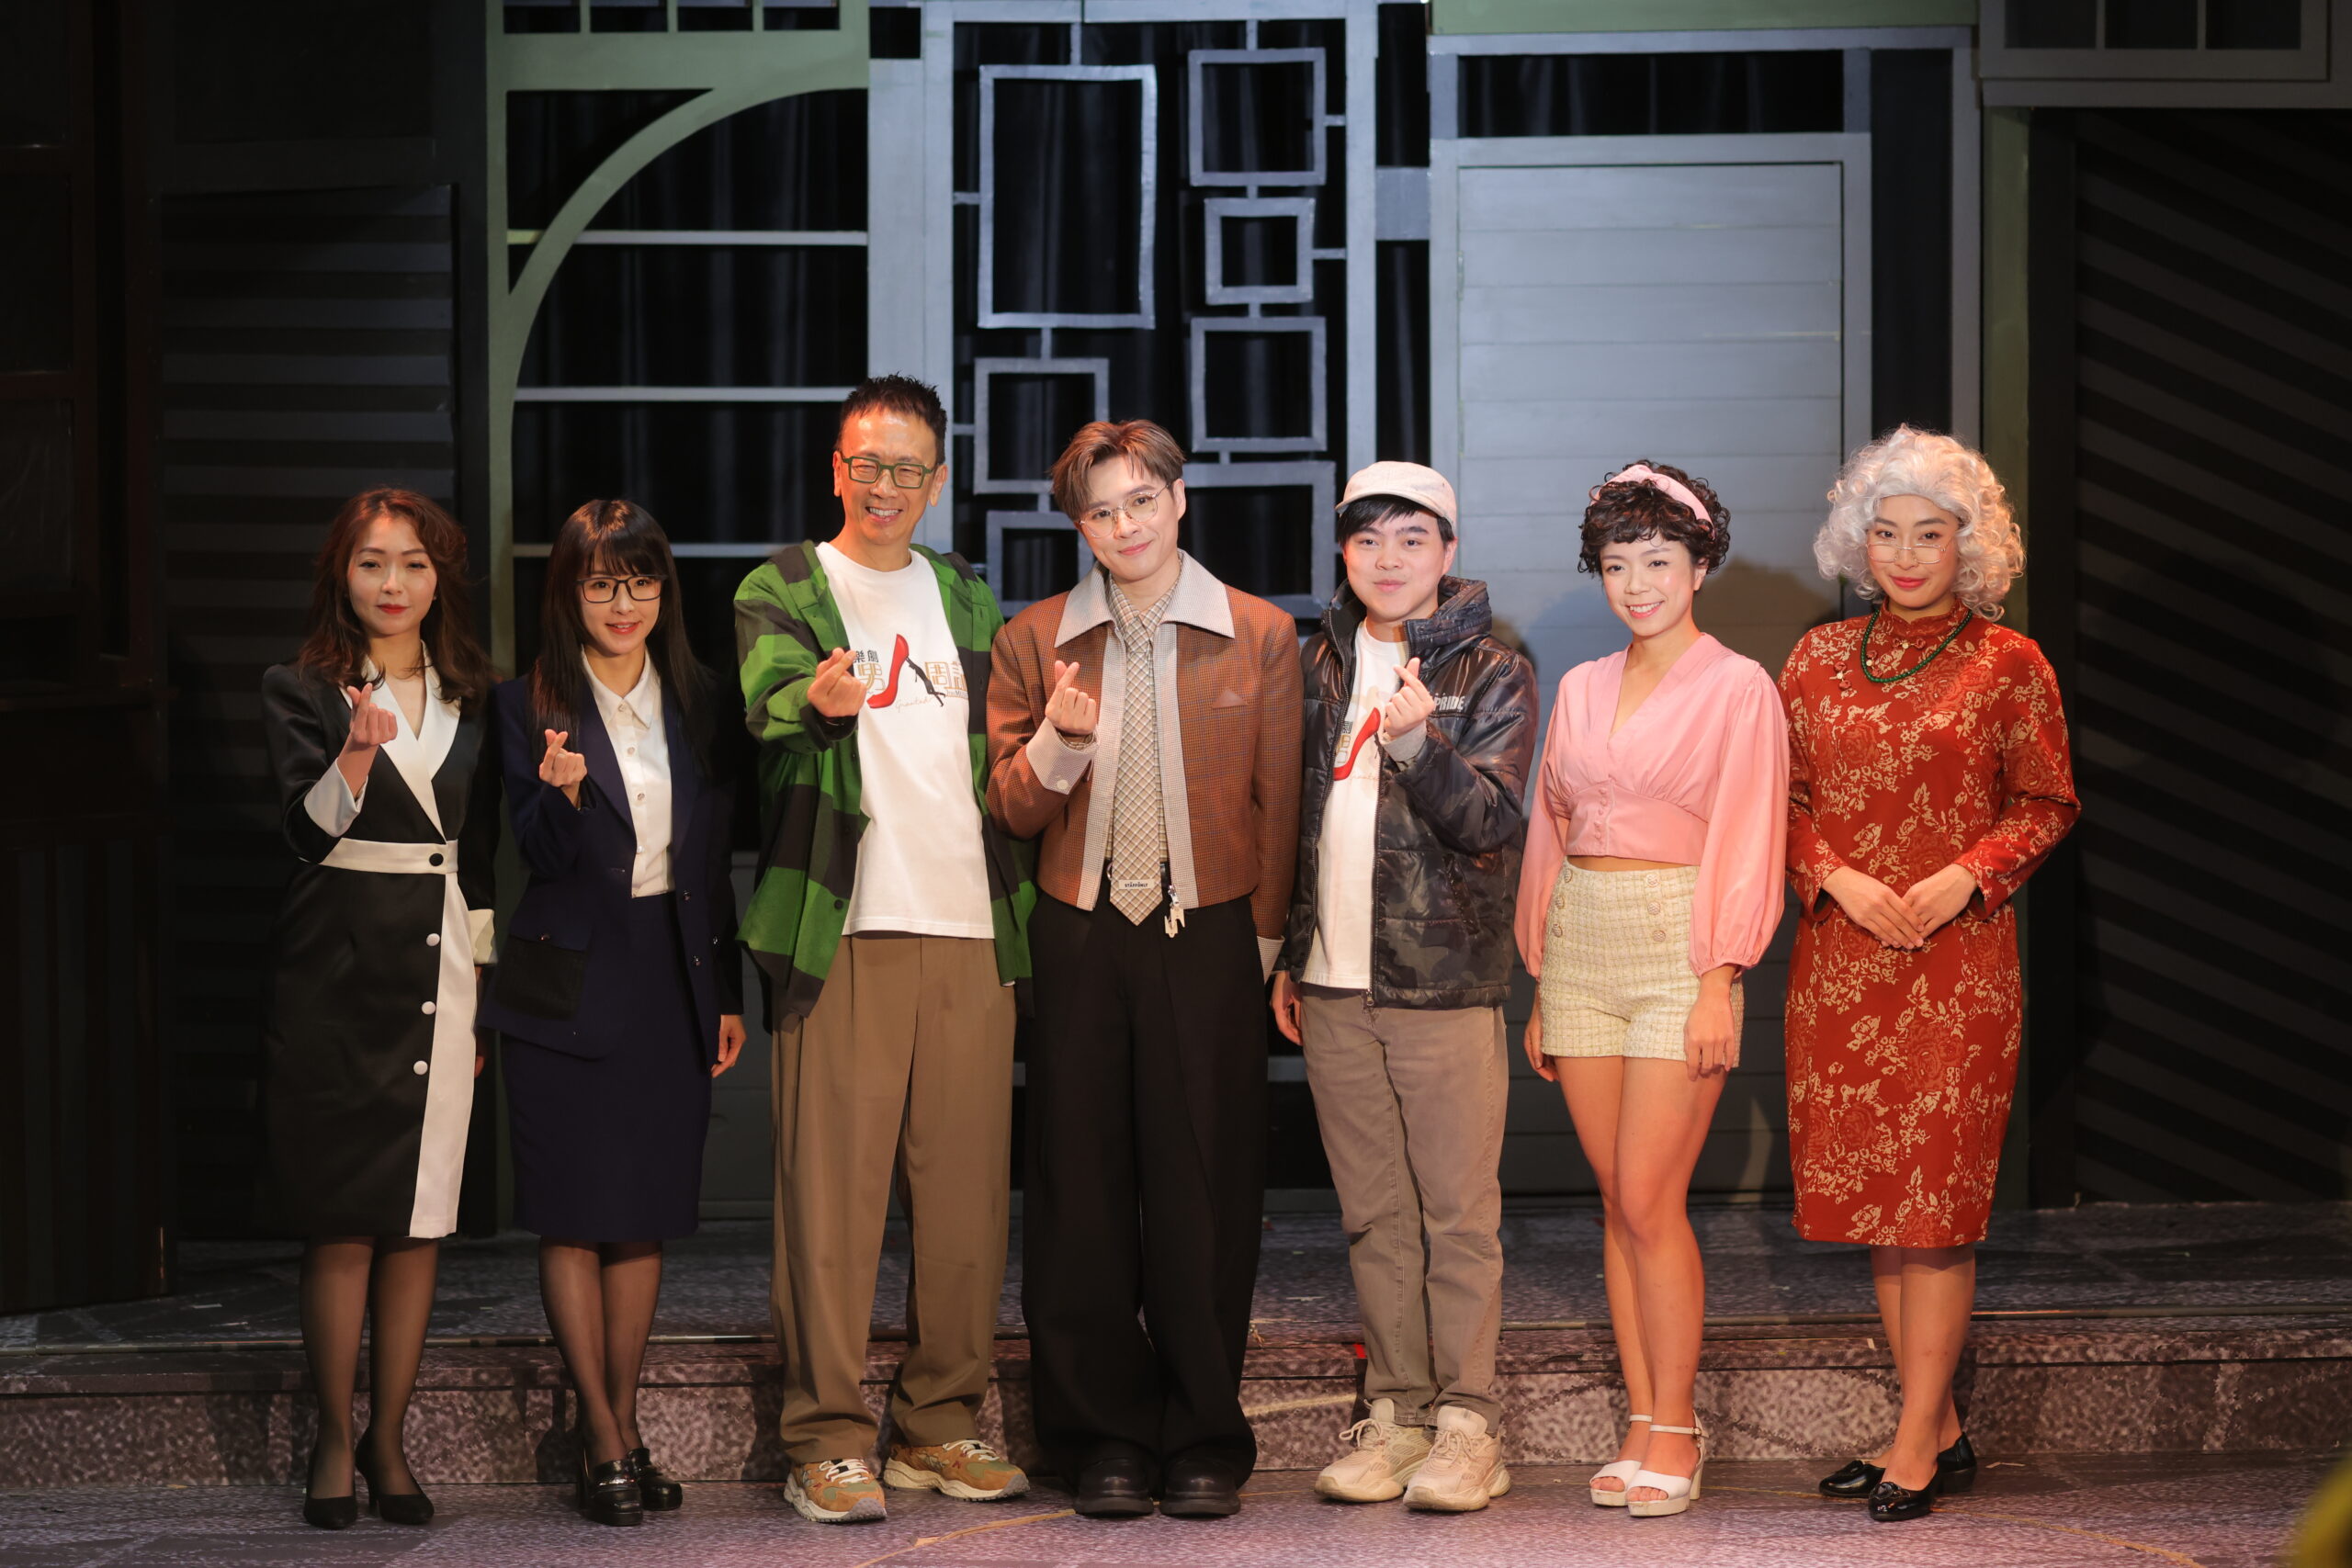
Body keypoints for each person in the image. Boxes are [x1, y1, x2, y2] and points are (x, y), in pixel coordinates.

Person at [987, 419, 1303, 1520]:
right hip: (1078, 930)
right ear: (1078, 525)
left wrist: (1262, 945)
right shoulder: (1034, 639)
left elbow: (1276, 801)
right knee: (1075, 1191)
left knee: (1203, 1190)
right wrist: (1059, 745)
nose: (1123, 526)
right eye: (1100, 511)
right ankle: (1101, 1440)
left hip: (1207, 928)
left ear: (1178, 500)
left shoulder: (1259, 633)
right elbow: (1010, 808)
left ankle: (1204, 1435)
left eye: (1140, 501)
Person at [734, 375, 1035, 1526]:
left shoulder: (965, 595)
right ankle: (824, 1439)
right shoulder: (784, 586)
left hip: (970, 926)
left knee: (964, 1206)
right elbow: (766, 706)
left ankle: (939, 1425)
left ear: (937, 481)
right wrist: (815, 701)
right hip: (844, 926)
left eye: (909, 469)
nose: (886, 487)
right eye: (867, 465)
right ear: (837, 470)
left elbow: (998, 751)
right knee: (832, 1204)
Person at [1781, 426, 2077, 1524]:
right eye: (1887, 533)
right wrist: (1834, 878)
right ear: (1857, 542)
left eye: (1929, 534)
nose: (1905, 556)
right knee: (1882, 1207)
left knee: (1935, 1210)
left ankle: (1913, 1441)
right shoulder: (1814, 658)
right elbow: (1781, 799)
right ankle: (1938, 1427)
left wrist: (1964, 876)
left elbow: (2045, 800)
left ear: (1969, 543)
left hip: (1956, 964)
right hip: (1842, 957)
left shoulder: (2009, 661)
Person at [1512, 463, 1788, 1519]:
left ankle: (1677, 1425)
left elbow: (1749, 833)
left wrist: (1719, 979)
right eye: (1618, 565)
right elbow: (1551, 832)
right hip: (1581, 943)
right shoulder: (1582, 685)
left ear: (1700, 565)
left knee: (1647, 1198)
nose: (1637, 585)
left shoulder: (1738, 686)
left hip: (1680, 947)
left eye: (1659, 562)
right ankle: (1642, 1419)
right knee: (1614, 1203)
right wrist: (1544, 981)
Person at [1269, 462, 1536, 1513]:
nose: (1388, 560)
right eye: (1368, 539)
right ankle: (1397, 1413)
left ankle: (1470, 1424)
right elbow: (1293, 818)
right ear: (1344, 551)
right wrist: (1290, 953)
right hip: (1331, 979)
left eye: (1412, 539)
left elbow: (1490, 822)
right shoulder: (1315, 662)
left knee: (1457, 1215)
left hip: (1441, 982)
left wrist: (1420, 744)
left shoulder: (1493, 669)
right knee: (1372, 1216)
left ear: (1447, 552)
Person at [481, 500, 746, 1526]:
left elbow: (709, 862)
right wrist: (556, 793)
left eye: (639, 581)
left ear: (663, 591)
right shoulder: (524, 704)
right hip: (564, 984)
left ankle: (622, 1430)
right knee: (572, 1213)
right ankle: (601, 1435)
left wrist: (724, 992)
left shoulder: (703, 700)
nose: (622, 603)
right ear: (570, 595)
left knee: (643, 1217)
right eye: (600, 584)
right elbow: (537, 857)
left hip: (669, 976)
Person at [259, 487, 501, 1530]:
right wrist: (356, 749)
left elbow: (480, 863)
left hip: (439, 973)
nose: (393, 583)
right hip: (332, 972)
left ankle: (390, 1439)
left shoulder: (475, 695)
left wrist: (483, 994)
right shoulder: (299, 687)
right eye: (372, 563)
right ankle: (332, 1436)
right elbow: (305, 837)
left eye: (413, 563)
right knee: (340, 1220)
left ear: (440, 577)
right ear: (342, 574)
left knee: (417, 1223)